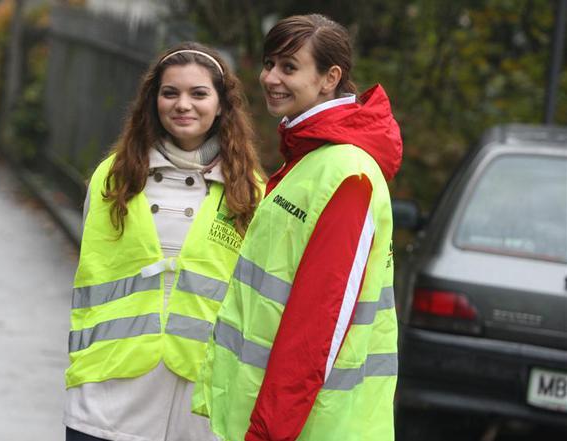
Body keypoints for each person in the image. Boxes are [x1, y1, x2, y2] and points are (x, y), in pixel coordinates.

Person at [193, 14, 403, 441]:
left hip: (311, 428)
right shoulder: (312, 159)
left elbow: (317, 328)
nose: (271, 77)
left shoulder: (347, 174)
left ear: (331, 77)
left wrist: (268, 433)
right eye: (270, 64)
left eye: (289, 67)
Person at [63, 42, 265, 441]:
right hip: (108, 389)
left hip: (199, 396)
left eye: (199, 93)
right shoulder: (114, 178)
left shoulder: (250, 194)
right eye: (170, 93)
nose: (182, 104)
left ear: (223, 105)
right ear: (152, 101)